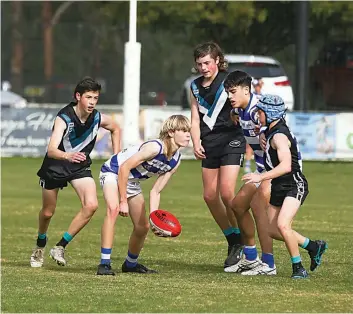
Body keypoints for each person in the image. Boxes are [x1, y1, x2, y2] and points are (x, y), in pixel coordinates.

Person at [30, 77, 120, 268]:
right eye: (89, 97)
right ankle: (40, 244)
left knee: (91, 205)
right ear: (78, 96)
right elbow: (52, 149)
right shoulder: (64, 118)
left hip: (79, 166)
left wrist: (116, 158)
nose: (92, 102)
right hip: (55, 166)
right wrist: (68, 156)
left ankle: (60, 246)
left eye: (96, 97)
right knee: (47, 213)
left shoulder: (97, 117)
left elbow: (115, 128)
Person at [243, 94, 328, 279]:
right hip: (279, 185)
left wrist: (261, 176)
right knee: (272, 230)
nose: (258, 115)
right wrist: (262, 134)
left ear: (270, 113)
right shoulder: (271, 131)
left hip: (294, 184)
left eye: (260, 111)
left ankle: (298, 268)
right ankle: (313, 246)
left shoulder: (279, 136)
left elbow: (286, 166)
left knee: (282, 225)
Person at [96, 115, 191, 275]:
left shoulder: (176, 160)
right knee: (113, 210)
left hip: (132, 182)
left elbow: (156, 191)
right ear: (170, 132)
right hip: (113, 172)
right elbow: (124, 168)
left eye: (188, 131)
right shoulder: (154, 148)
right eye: (183, 130)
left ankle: (130, 264)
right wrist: (123, 201)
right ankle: (104, 264)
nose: (188, 134)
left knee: (143, 227)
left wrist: (155, 218)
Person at [190, 42, 246, 269]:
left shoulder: (229, 80)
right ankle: (233, 239)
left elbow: (244, 103)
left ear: (217, 61)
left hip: (232, 138)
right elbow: (194, 119)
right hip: (209, 142)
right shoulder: (194, 87)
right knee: (209, 196)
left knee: (226, 193)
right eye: (199, 64)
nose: (204, 68)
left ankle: (245, 240)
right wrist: (195, 142)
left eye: (207, 63)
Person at [223, 70, 276, 275]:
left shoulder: (257, 110)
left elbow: (272, 123)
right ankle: (251, 257)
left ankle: (269, 264)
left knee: (259, 210)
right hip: (261, 169)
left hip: (273, 170)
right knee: (237, 205)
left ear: (247, 90)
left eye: (233, 92)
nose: (230, 97)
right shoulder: (239, 110)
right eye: (228, 92)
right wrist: (232, 113)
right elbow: (236, 115)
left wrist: (265, 133)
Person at [243, 78, 264, 174]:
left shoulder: (263, 97)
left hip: (260, 125)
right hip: (251, 124)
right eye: (257, 85)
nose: (258, 87)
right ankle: (247, 165)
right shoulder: (253, 97)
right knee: (250, 146)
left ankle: (260, 165)